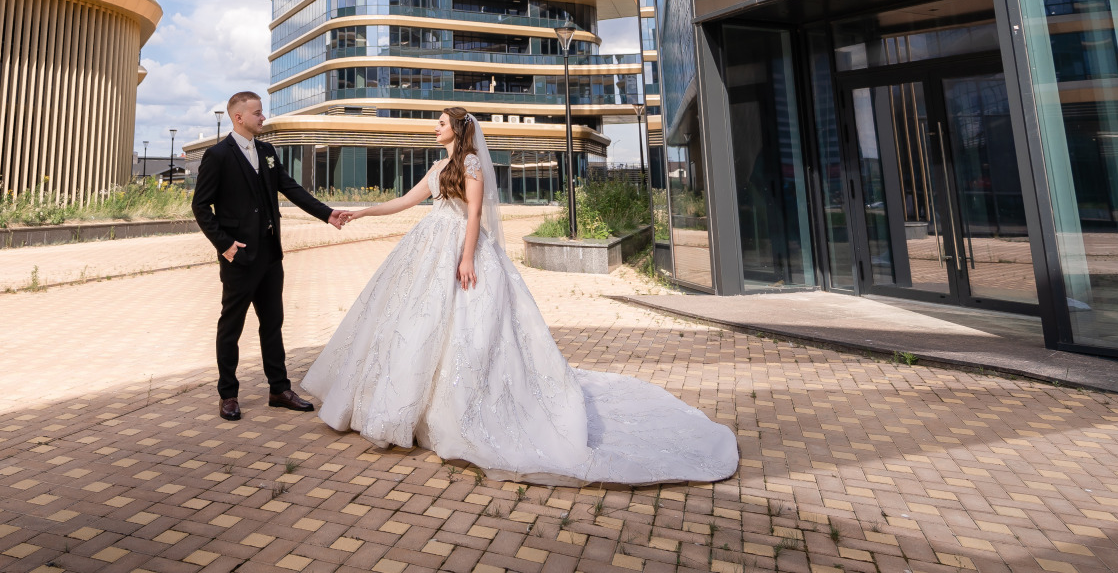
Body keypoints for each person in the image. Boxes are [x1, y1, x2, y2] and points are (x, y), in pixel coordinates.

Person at [302, 106, 739, 486]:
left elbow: (474, 213)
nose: (434, 129)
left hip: (460, 246)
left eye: (439, 124)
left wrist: (467, 258)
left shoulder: (471, 164)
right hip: (427, 246)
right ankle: (412, 407)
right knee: (416, 324)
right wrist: (359, 211)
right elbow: (403, 202)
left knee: (468, 327)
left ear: (458, 128)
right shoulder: (437, 168)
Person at [191, 91, 344, 421]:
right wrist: (226, 245)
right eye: (258, 113)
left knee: (272, 324)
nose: (264, 118)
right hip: (239, 257)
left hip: (271, 256)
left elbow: (290, 188)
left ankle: (279, 388)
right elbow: (200, 207)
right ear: (239, 117)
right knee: (231, 327)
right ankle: (228, 395)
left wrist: (327, 214)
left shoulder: (268, 151)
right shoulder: (217, 156)